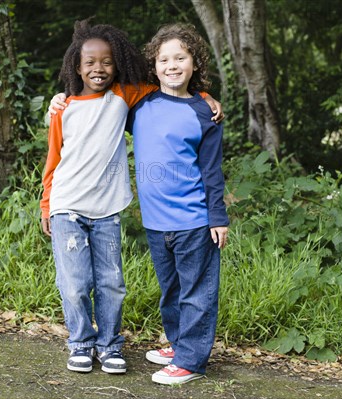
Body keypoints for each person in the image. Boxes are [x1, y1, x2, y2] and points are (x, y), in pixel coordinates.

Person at [42, 19, 223, 375]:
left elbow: (209, 162)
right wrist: (46, 203)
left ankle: (151, 354)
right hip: (106, 213)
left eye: (106, 61)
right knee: (91, 284)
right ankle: (96, 343)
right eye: (89, 63)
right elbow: (66, 145)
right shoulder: (95, 106)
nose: (98, 69)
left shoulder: (150, 102)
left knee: (143, 287)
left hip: (150, 214)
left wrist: (206, 96)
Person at [125, 23, 229, 385]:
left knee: (197, 293)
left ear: (194, 64)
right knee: (171, 290)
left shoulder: (205, 114)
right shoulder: (138, 105)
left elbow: (212, 170)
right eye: (164, 58)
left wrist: (218, 217)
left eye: (180, 58)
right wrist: (62, 100)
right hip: (156, 222)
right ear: (153, 65)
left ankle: (191, 361)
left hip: (194, 220)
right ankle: (180, 342)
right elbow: (97, 103)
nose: (172, 65)